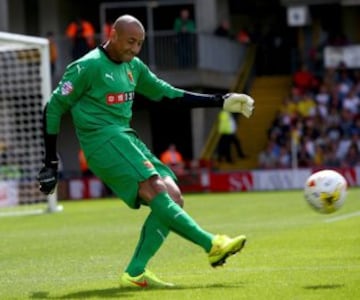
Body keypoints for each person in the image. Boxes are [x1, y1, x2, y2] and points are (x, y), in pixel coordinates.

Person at [37, 14, 254, 288]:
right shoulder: (87, 66)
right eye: (130, 42)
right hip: (101, 140)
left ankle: (135, 272)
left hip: (126, 137)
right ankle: (211, 243)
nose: (134, 48)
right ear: (113, 34)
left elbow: (166, 93)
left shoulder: (134, 67)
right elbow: (52, 108)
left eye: (139, 44)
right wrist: (50, 162)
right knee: (155, 188)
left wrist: (219, 100)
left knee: (174, 196)